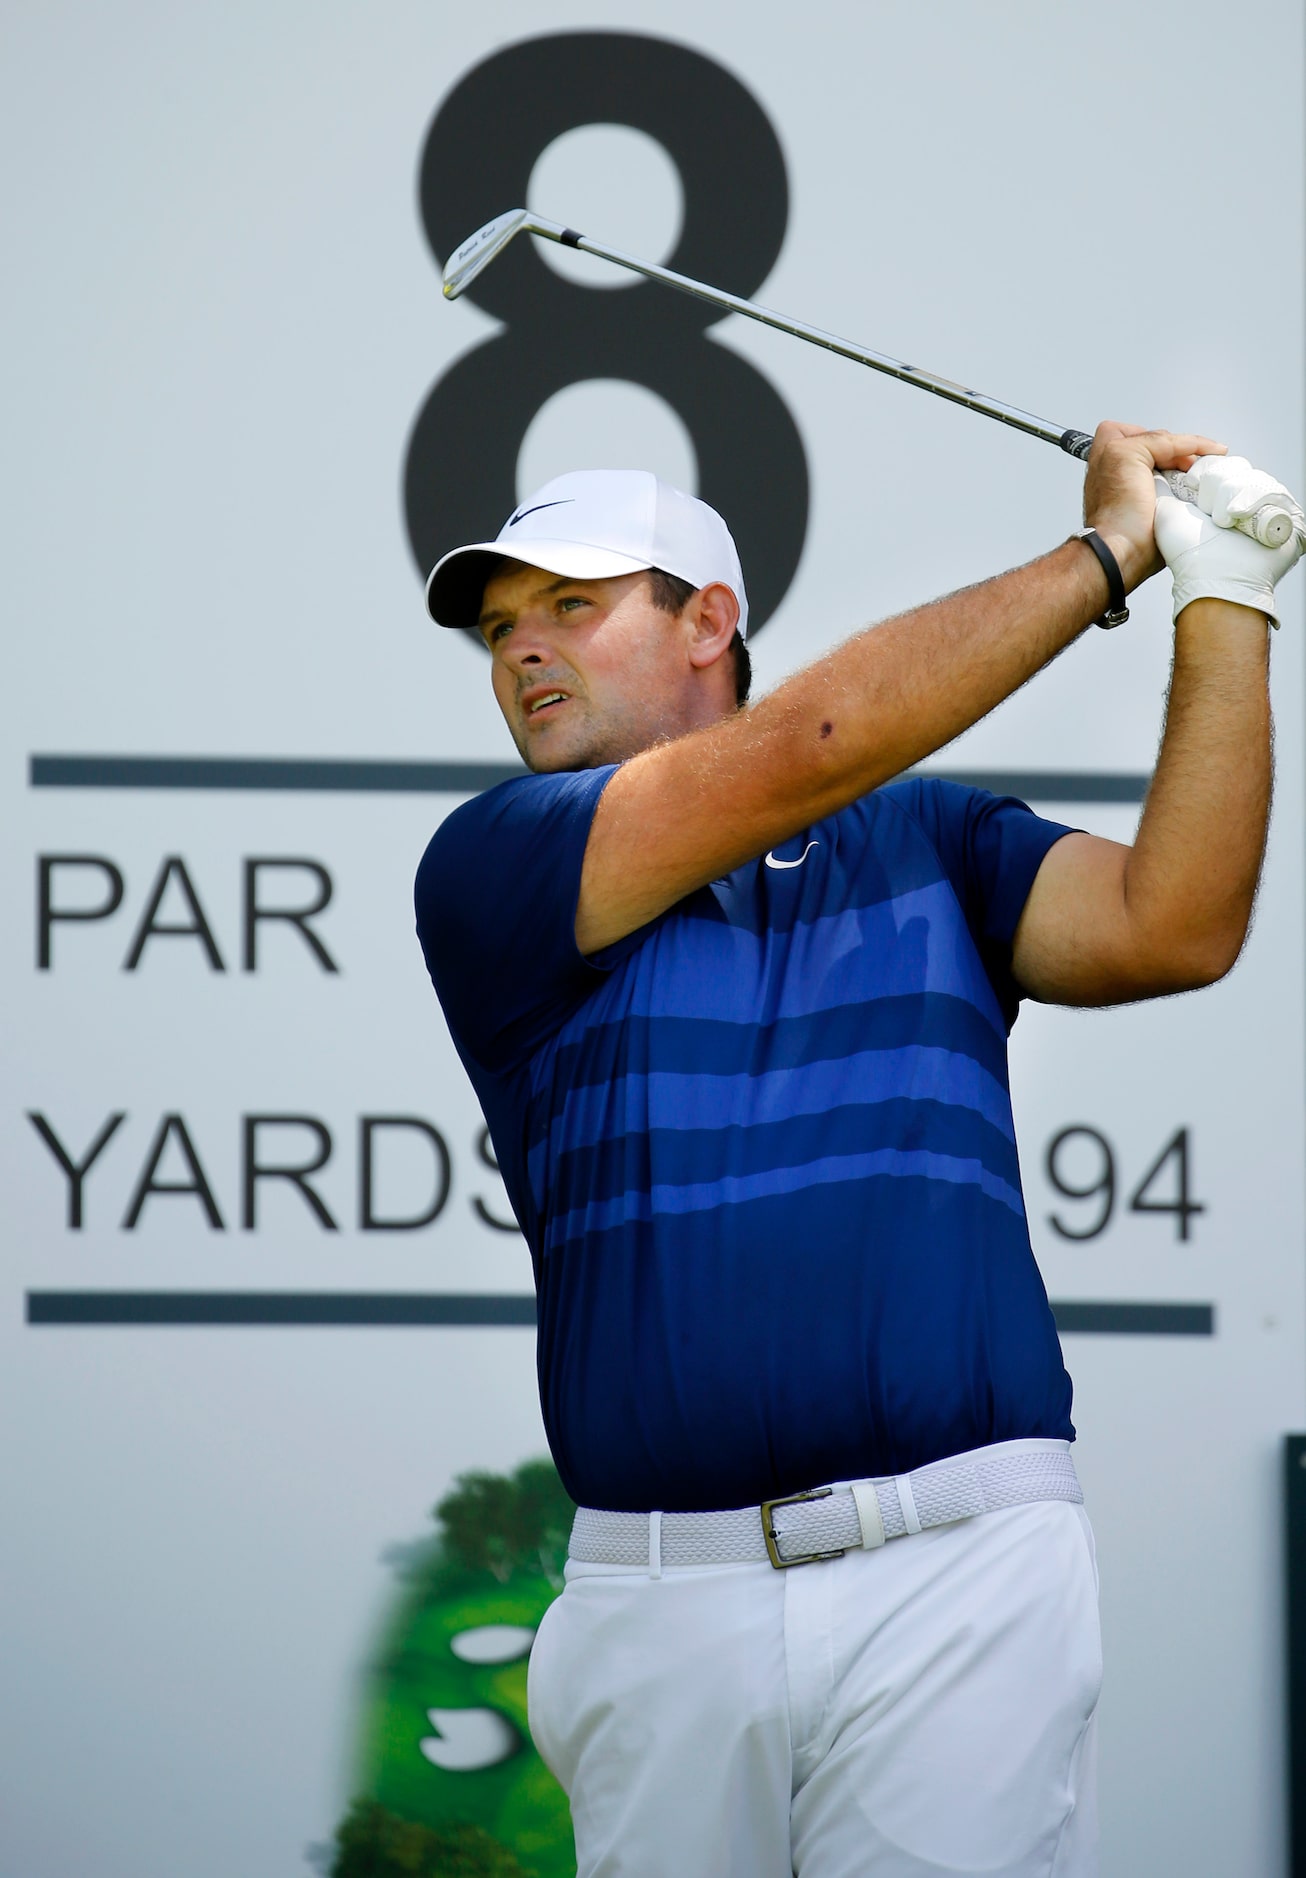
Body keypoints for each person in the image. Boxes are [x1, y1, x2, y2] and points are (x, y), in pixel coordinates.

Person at [413, 425, 1303, 1878]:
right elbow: (804, 748)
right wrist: (1105, 555)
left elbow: (1173, 920)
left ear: (710, 619)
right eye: (502, 627)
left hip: (960, 1565)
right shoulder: (495, 864)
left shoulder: (932, 841)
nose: (524, 651)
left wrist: (1226, 602)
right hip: (659, 1592)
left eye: (573, 605)